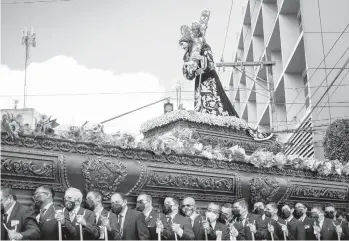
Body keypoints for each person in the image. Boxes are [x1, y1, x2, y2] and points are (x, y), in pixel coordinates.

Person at [179, 27, 239, 117]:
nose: (182, 47)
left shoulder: (205, 49)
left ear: (189, 42)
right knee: (200, 101)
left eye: (182, 44)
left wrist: (201, 58)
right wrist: (188, 66)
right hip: (199, 78)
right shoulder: (187, 56)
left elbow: (211, 65)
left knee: (211, 98)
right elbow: (189, 76)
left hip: (208, 77)